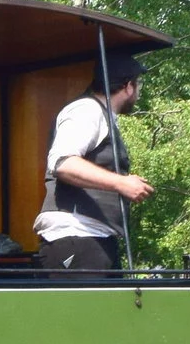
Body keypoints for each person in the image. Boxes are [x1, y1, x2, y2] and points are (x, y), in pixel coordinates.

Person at [34, 51, 154, 271]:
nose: (139, 93)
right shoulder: (86, 110)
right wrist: (121, 183)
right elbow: (63, 163)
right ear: (128, 86)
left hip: (92, 239)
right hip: (77, 238)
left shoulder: (102, 115)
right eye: (139, 86)